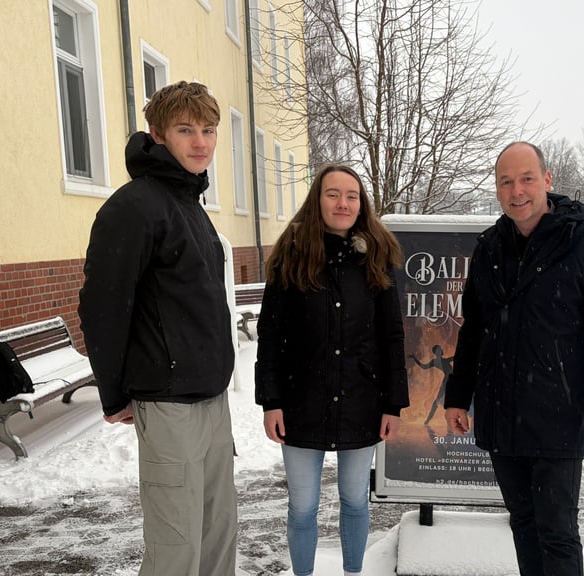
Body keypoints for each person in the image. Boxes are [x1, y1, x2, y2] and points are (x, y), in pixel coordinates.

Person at [444, 142, 584, 576]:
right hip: (500, 413)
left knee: (557, 532)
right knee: (524, 525)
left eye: (527, 178)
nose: (517, 191)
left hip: (557, 412)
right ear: (497, 189)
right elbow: (474, 329)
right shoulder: (490, 247)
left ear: (547, 180)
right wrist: (458, 396)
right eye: (506, 182)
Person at [78, 81, 237, 576]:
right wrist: (115, 392)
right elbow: (103, 306)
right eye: (186, 130)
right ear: (158, 134)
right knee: (176, 547)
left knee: (217, 537)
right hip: (169, 401)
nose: (200, 142)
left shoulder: (189, 204)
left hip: (211, 397)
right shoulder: (135, 206)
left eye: (208, 130)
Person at [255, 164, 409, 576]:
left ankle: (353, 572)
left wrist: (394, 404)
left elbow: (392, 337)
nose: (343, 203)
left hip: (362, 401)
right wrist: (270, 401)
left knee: (356, 500)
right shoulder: (290, 257)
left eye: (352, 195)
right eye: (333, 194)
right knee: (302, 506)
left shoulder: (377, 258)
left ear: (362, 204)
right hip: (300, 401)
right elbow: (269, 335)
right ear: (317, 200)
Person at [408, 344, 453, 426]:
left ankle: (428, 420)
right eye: (439, 350)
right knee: (439, 401)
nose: (441, 351)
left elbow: (423, 366)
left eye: (440, 349)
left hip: (451, 380)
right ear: (436, 353)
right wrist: (414, 358)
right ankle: (428, 420)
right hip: (449, 381)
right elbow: (423, 366)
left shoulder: (441, 361)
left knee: (441, 400)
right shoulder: (438, 361)